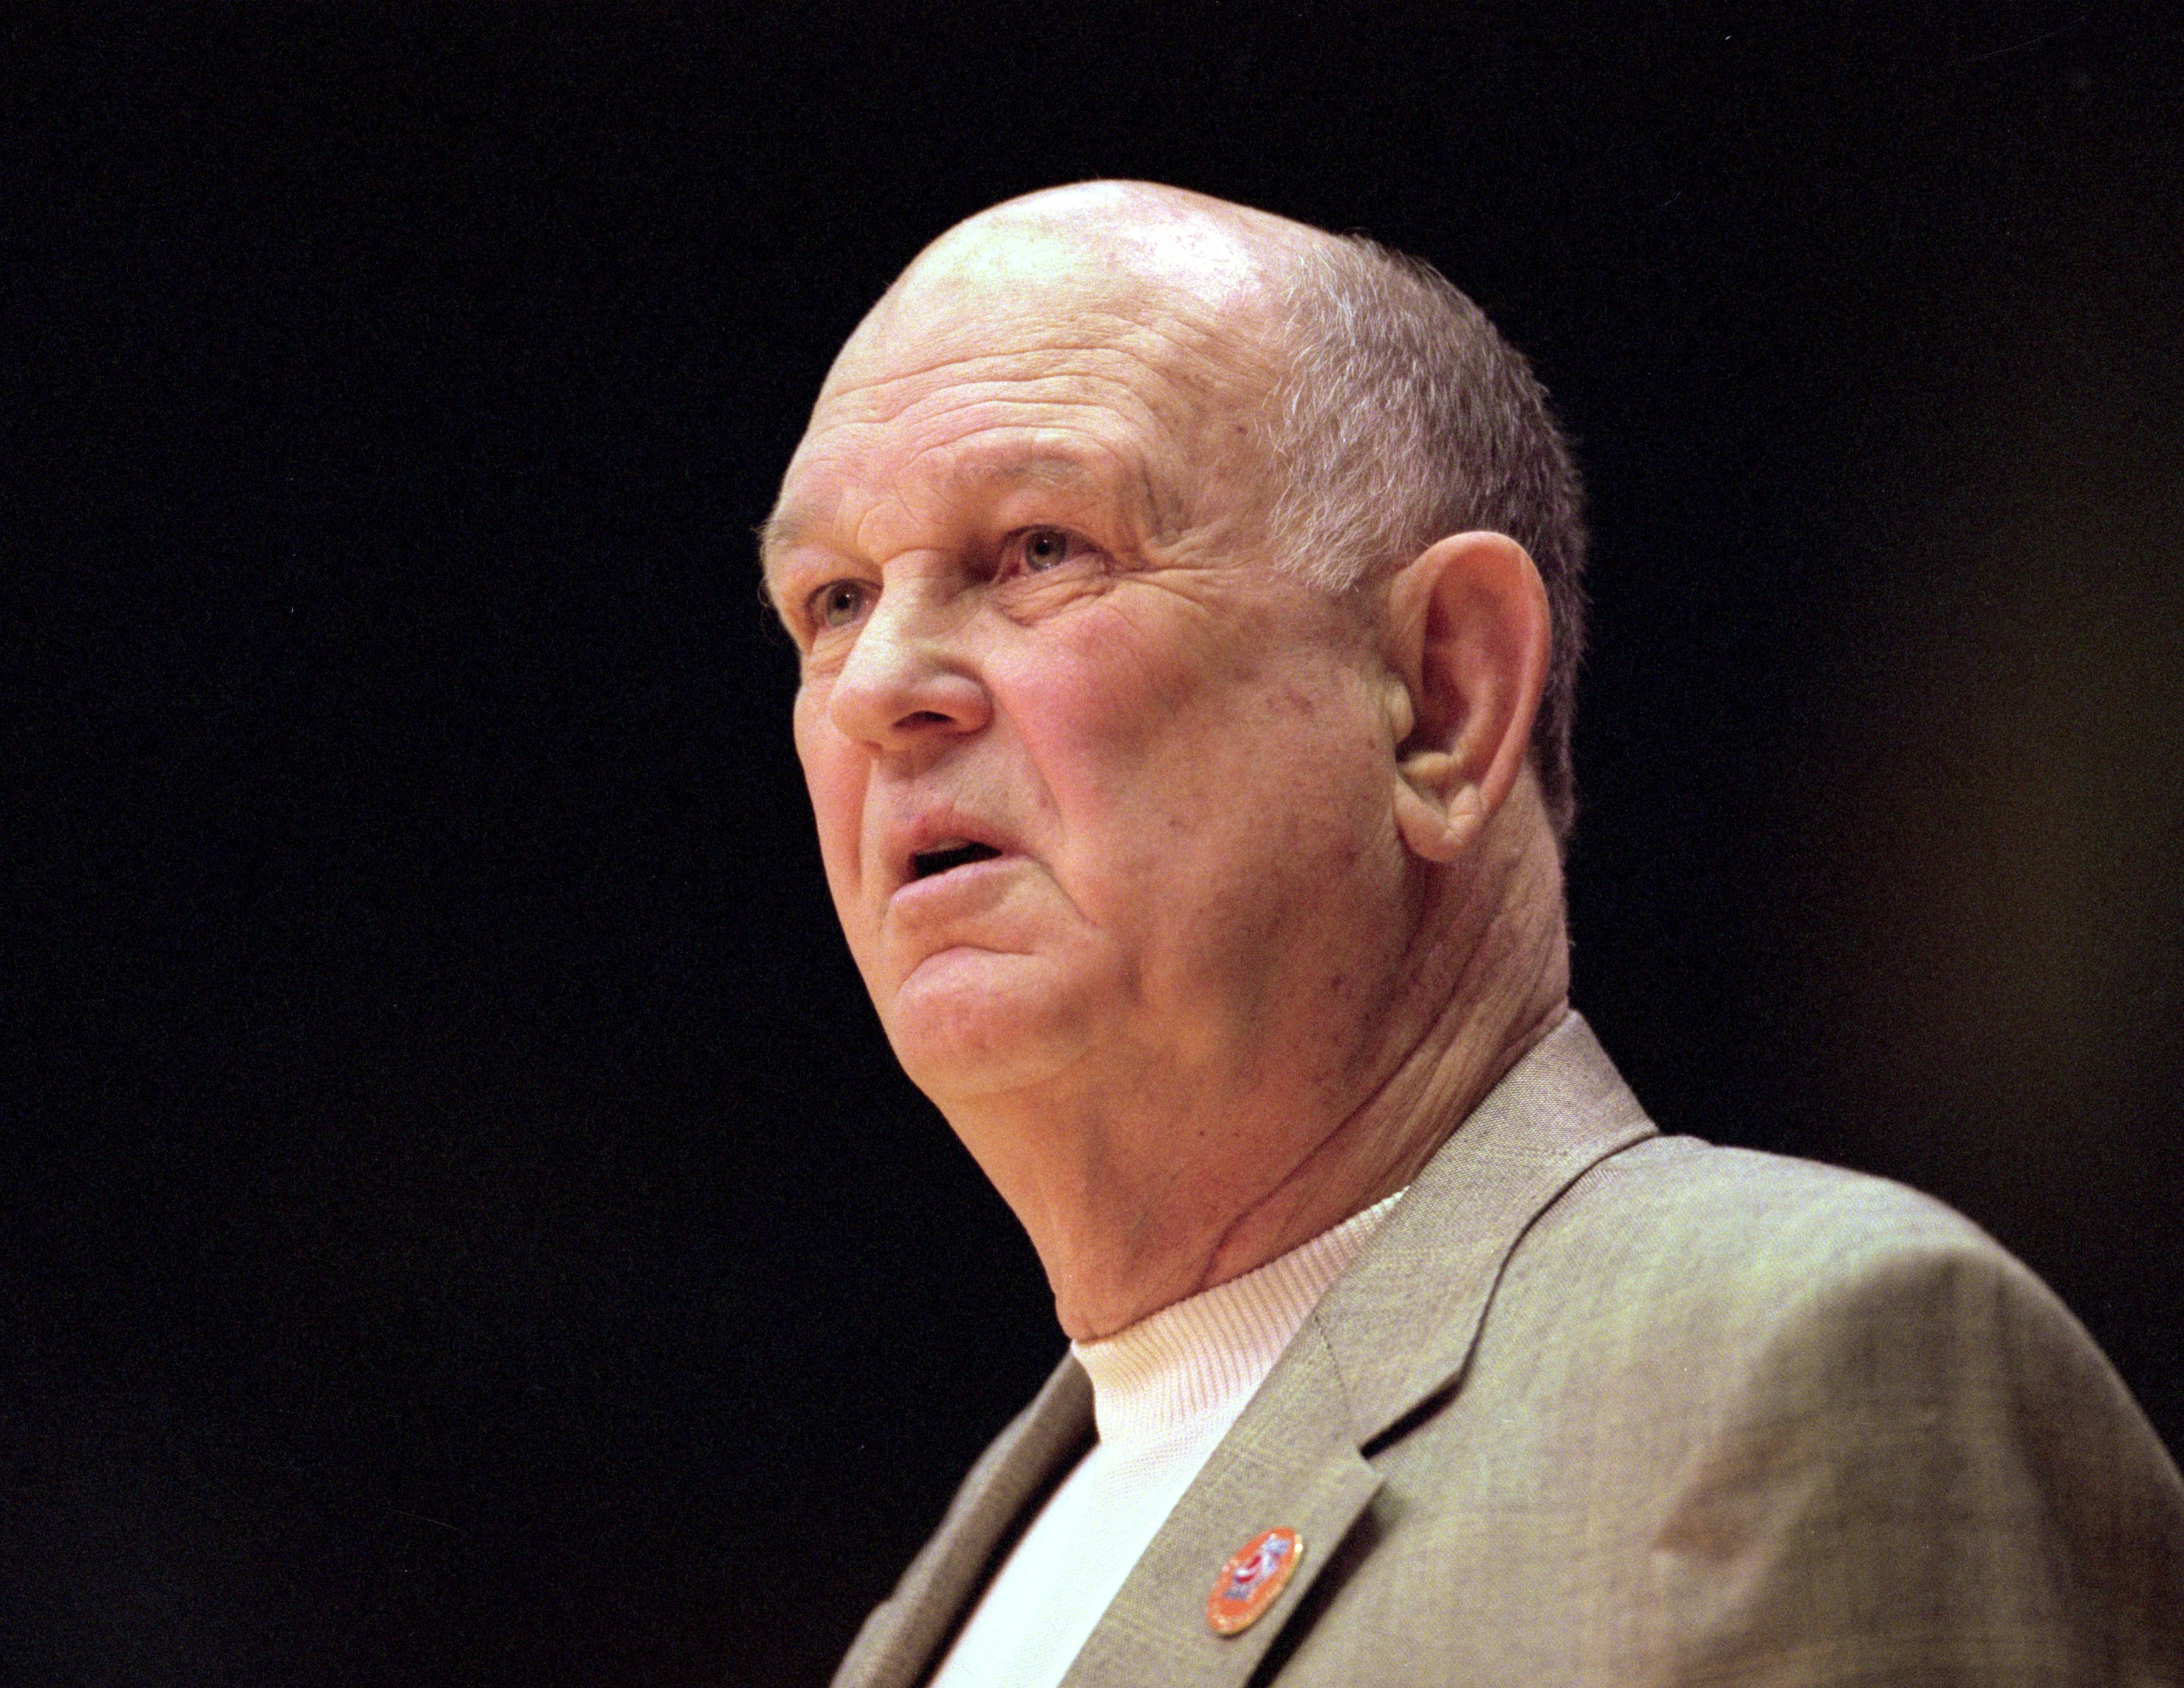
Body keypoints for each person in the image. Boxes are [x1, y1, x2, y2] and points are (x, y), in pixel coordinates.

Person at [758, 181, 2184, 1687]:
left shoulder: (1806, 1364)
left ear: (1440, 701)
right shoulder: (966, 1580)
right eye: (833, 597)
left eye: (1042, 548)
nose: (876, 684)